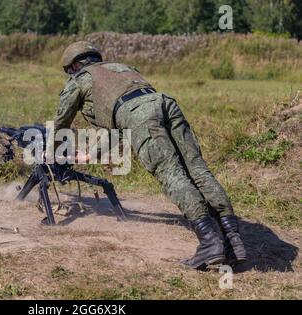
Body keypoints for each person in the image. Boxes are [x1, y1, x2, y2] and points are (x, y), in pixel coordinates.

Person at [52, 41, 247, 270]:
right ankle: (233, 240)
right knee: (198, 170)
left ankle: (209, 243)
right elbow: (120, 124)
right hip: (165, 103)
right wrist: (91, 155)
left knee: (171, 174)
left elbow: (61, 121)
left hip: (140, 116)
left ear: (75, 65)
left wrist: (53, 151)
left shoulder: (81, 79)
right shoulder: (122, 68)